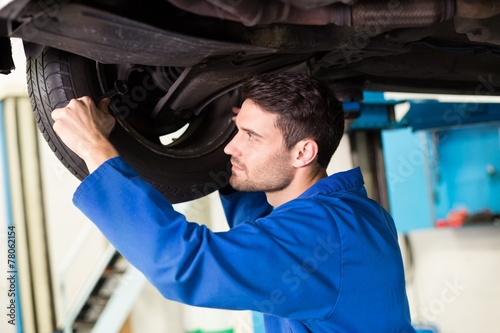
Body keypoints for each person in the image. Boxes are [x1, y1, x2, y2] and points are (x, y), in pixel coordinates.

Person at [52, 72, 415, 332]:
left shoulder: (323, 236)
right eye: (236, 130)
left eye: (250, 137)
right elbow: (257, 229)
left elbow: (183, 265)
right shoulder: (352, 211)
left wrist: (94, 147)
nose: (230, 146)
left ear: (303, 151)